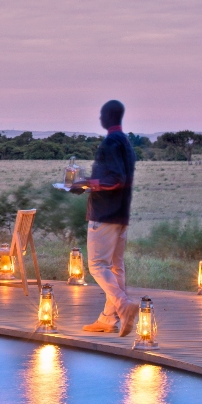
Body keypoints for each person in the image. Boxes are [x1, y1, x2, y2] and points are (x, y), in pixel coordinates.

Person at [82, 100, 137, 335]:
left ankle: (124, 307)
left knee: (97, 265)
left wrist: (88, 184)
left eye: (101, 114)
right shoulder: (126, 142)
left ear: (108, 116)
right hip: (121, 214)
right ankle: (107, 319)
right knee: (116, 267)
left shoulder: (111, 142)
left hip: (104, 214)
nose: (99, 118)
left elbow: (116, 179)